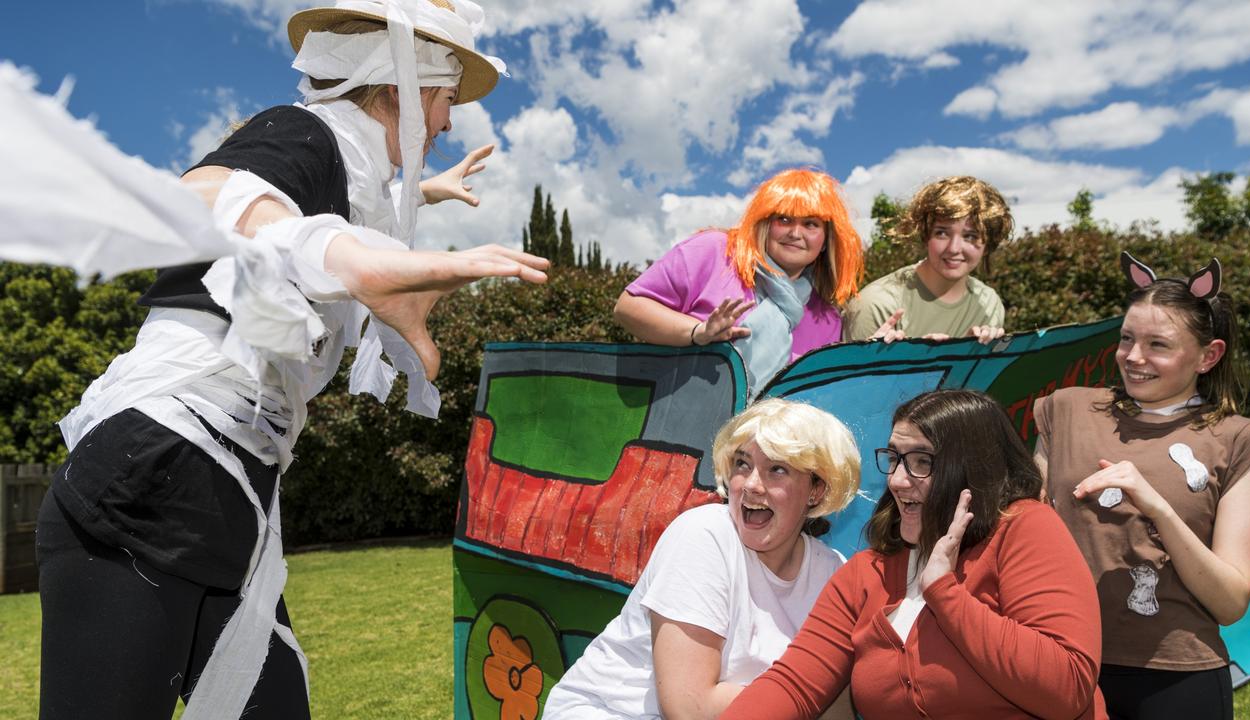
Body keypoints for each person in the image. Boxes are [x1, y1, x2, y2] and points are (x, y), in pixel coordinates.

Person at [32, 2, 548, 720]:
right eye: (445, 99)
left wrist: (424, 194)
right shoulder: (300, 130)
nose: (449, 123)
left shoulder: (342, 175)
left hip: (226, 500)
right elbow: (213, 192)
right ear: (398, 90)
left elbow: (347, 207)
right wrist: (355, 265)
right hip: (153, 475)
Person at [722, 389, 1106, 719]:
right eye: (894, 459)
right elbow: (794, 686)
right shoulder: (865, 573)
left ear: (970, 469)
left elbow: (1067, 689)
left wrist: (945, 593)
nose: (897, 479)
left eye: (922, 462)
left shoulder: (1025, 528)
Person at [1034, 253, 1250, 720]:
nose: (1134, 357)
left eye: (1158, 345)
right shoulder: (1065, 411)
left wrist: (1156, 506)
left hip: (1176, 678)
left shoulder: (1243, 440)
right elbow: (1027, 529)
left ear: (1209, 356)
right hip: (1060, 661)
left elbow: (1229, 602)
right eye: (1127, 339)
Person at [544, 398, 861, 719]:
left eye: (776, 469)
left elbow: (837, 707)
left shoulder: (833, 572)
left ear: (816, 490)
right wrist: (806, 700)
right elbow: (689, 707)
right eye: (742, 464)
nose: (751, 485)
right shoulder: (705, 534)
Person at [614, 168, 864, 390]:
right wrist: (697, 333)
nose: (795, 233)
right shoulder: (714, 251)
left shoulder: (827, 319)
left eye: (811, 224)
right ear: (765, 222)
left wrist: (875, 352)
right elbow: (628, 307)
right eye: (784, 219)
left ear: (825, 241)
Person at [843, 176, 1010, 345]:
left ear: (988, 244)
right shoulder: (876, 305)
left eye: (970, 236)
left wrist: (967, 356)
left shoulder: (988, 305)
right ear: (925, 235)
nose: (954, 248)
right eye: (942, 233)